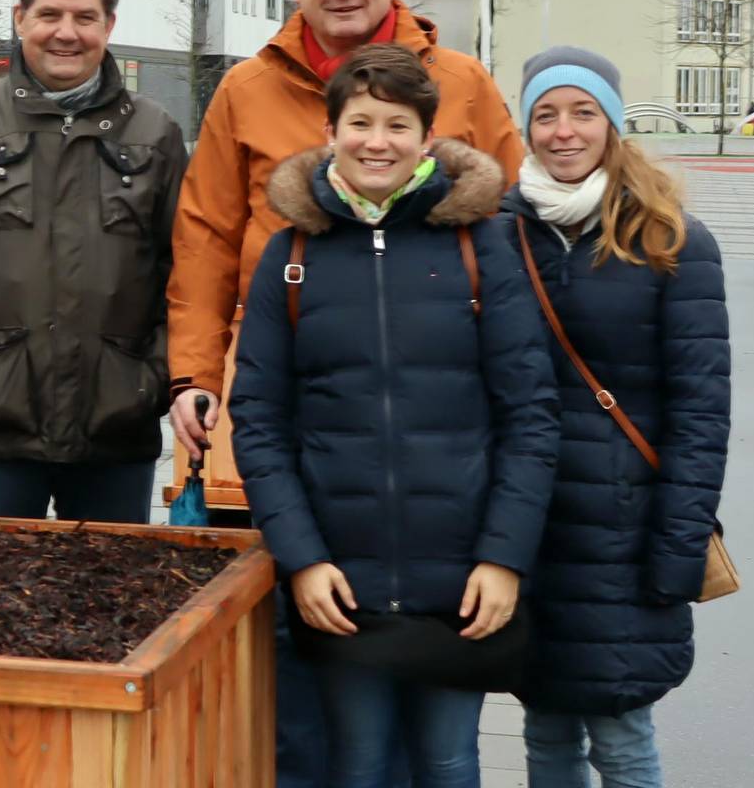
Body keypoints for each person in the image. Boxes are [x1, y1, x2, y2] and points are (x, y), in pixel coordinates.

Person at [168, 0, 525, 787]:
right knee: (303, 677)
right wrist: (192, 375)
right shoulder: (246, 90)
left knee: (431, 726)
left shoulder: (465, 83)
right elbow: (207, 236)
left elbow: (522, 234)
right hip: (292, 417)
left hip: (438, 430)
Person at [224, 44, 558, 788]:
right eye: (361, 122)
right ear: (331, 130)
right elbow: (259, 418)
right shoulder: (293, 253)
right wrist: (302, 559)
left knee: (447, 761)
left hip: (461, 580)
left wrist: (504, 558)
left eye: (398, 125)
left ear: (427, 139)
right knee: (358, 765)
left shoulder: (481, 247)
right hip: (342, 582)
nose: (378, 141)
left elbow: (530, 414)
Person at [500, 48, 731, 788]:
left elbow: (702, 412)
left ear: (613, 123)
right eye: (545, 114)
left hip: (626, 534)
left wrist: (679, 543)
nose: (563, 131)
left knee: (622, 728)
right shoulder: (498, 235)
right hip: (529, 528)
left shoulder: (671, 242)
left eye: (582, 112)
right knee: (545, 724)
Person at [0, 0, 185, 521]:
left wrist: (151, 379)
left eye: (85, 17)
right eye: (50, 15)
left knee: (115, 603)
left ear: (109, 25)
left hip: (115, 427)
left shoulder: (155, 133)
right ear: (21, 19)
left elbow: (184, 270)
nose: (67, 33)